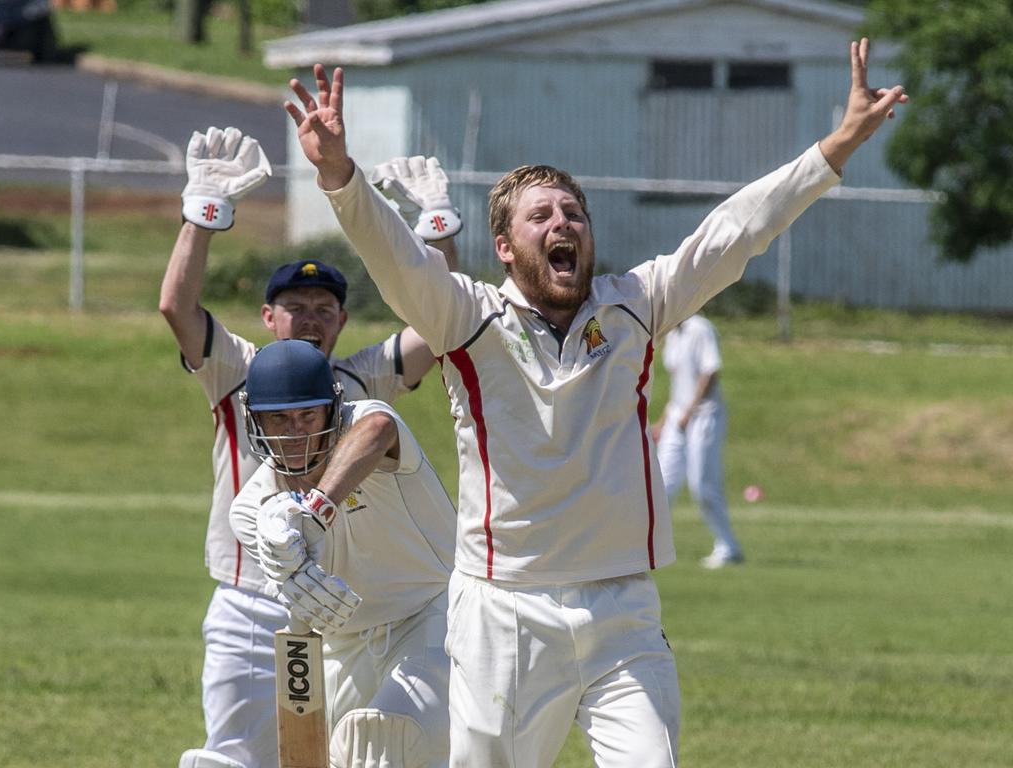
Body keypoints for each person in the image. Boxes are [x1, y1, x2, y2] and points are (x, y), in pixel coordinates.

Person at [284, 37, 905, 767]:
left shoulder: (636, 304)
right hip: (503, 614)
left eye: (572, 212)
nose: (563, 225)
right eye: (540, 216)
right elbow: (398, 260)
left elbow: (738, 230)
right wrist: (340, 177)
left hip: (621, 611)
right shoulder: (466, 317)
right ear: (506, 247)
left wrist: (836, 145)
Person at [159, 126, 462, 768]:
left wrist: (438, 229)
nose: (311, 317)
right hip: (249, 595)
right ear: (269, 318)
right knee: (236, 756)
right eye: (295, 306)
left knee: (358, 749)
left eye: (325, 307)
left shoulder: (359, 381)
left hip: (345, 603)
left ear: (342, 321)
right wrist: (203, 214)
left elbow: (443, 323)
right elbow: (176, 307)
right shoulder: (239, 369)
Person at [228, 339, 456, 768]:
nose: (296, 431)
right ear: (254, 419)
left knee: (385, 739)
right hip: (342, 648)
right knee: (343, 757)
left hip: (433, 617)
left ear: (333, 409)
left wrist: (314, 510)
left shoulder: (369, 424)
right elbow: (308, 614)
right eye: (278, 418)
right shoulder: (249, 510)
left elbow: (378, 429)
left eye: (307, 415)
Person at [652, 314, 743, 569]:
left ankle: (728, 546)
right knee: (661, 484)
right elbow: (678, 383)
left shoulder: (701, 329)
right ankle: (647, 547)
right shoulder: (671, 333)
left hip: (704, 416)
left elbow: (710, 372)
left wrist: (690, 412)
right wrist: (664, 420)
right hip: (676, 417)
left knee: (702, 484)